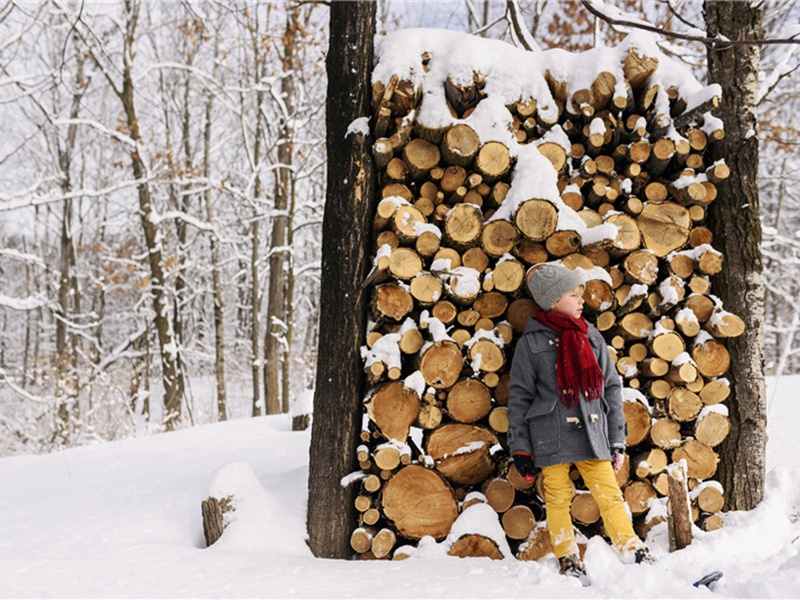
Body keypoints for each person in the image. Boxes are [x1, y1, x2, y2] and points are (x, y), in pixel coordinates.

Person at [507, 262, 653, 583]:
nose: (582, 300)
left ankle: (632, 549)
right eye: (574, 295)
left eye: (581, 294)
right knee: (557, 498)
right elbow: (519, 397)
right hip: (550, 433)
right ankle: (568, 557)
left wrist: (616, 439)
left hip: (592, 430)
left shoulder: (592, 335)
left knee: (609, 494)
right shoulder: (530, 343)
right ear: (553, 301)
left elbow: (611, 388)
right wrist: (521, 448)